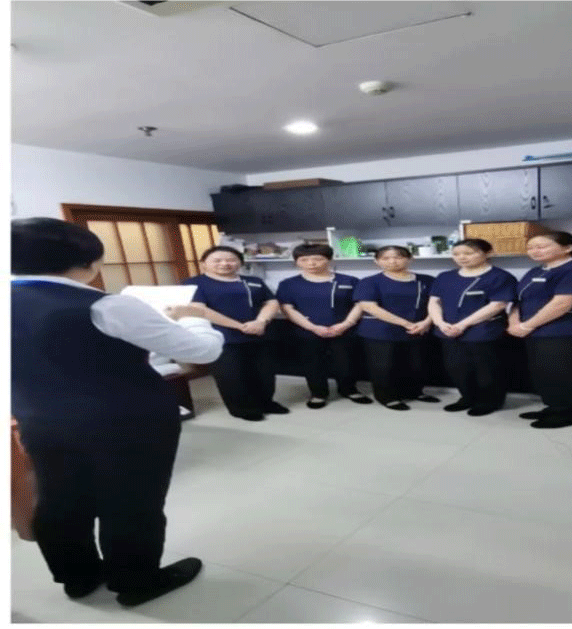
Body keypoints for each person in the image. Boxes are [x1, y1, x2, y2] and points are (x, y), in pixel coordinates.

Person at [11, 217, 224, 606]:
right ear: (90, 262)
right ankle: (136, 581)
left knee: (60, 497)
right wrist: (194, 315)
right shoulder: (108, 305)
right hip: (127, 421)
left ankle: (77, 578)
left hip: (39, 418)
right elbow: (202, 351)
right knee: (131, 500)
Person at [509, 231, 572, 429]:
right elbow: (519, 300)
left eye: (541, 246)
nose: (534, 251)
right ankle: (553, 407)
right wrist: (514, 322)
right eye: (530, 248)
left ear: (568, 248)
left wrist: (527, 325)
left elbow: (562, 304)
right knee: (545, 373)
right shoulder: (536, 271)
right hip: (535, 331)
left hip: (566, 331)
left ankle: (569, 414)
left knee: (565, 374)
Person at [184, 246, 287, 421]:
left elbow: (271, 302)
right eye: (217, 260)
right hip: (222, 337)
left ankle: (266, 403)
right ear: (204, 263)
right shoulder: (193, 284)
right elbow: (200, 310)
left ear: (240, 262)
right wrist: (239, 326)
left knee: (264, 373)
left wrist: (261, 321)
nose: (225, 264)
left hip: (258, 333)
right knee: (232, 375)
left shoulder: (254, 281)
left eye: (231, 260)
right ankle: (242, 409)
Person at [275, 244, 373, 409]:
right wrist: (312, 327)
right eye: (304, 260)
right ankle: (318, 393)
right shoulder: (288, 284)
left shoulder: (349, 281)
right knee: (312, 363)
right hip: (307, 331)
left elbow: (360, 304)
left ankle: (349, 390)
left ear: (329, 259)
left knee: (346, 362)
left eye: (318, 259)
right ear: (296, 262)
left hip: (343, 330)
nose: (311, 263)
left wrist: (346, 324)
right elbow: (287, 309)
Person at [427, 238, 517, 416]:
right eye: (456, 254)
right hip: (448, 331)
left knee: (486, 369)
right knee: (457, 368)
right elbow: (434, 301)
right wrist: (440, 323)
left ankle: (490, 401)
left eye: (468, 253)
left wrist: (462, 324)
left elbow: (498, 305)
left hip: (483, 331)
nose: (462, 257)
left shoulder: (500, 277)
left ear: (487, 253)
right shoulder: (445, 277)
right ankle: (467, 397)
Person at [353, 245, 438, 409]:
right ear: (376, 262)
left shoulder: (427, 280)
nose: (392, 261)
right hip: (381, 331)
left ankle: (414, 392)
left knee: (416, 364)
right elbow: (369, 306)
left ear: (410, 259)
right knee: (384, 366)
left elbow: (436, 303)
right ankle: (387, 397)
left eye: (398, 257)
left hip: (418, 329)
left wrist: (427, 322)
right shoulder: (369, 282)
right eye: (385, 258)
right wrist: (405, 323)